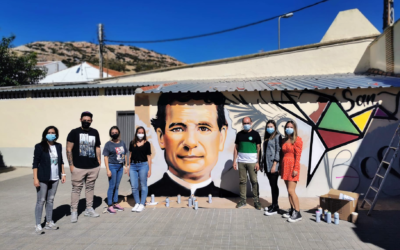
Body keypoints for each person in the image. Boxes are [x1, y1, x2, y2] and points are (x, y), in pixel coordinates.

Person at [148, 92, 236, 197]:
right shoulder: (145, 195)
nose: (191, 143)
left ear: (221, 137)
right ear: (161, 137)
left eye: (204, 128)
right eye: (178, 129)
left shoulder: (229, 198)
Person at [67, 111, 101, 223]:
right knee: (76, 189)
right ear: (80, 119)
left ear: (91, 121)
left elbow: (97, 147)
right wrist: (71, 165)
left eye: (89, 120)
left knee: (90, 188)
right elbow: (69, 149)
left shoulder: (95, 132)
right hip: (78, 167)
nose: (86, 122)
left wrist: (99, 162)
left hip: (92, 167)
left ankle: (89, 209)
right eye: (84, 120)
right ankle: (74, 211)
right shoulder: (74, 132)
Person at [32, 126, 66, 234]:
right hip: (43, 178)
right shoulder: (39, 146)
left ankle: (49, 222)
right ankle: (38, 224)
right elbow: (35, 163)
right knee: (41, 201)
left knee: (50, 200)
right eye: (49, 132)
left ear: (56, 135)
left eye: (53, 133)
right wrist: (36, 178)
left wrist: (63, 174)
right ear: (45, 134)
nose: (51, 134)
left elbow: (61, 161)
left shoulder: (58, 146)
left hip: (55, 177)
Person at [233, 117, 262, 210]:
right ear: (242, 124)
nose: (246, 124)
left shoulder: (256, 134)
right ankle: (243, 200)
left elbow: (259, 149)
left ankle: (256, 201)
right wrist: (234, 161)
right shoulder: (239, 134)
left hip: (252, 162)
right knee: (242, 181)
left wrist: (258, 162)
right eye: (244, 123)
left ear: (251, 123)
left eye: (248, 123)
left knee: (254, 181)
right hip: (241, 162)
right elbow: (236, 148)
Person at [281, 120, 303, 222]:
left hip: (292, 166)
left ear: (294, 129)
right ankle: (292, 210)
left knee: (291, 191)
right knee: (288, 191)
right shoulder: (284, 139)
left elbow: (298, 156)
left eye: (290, 127)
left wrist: (296, 169)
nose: (288, 128)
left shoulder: (297, 140)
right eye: (287, 126)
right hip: (285, 166)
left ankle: (298, 212)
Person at [103, 126, 128, 214]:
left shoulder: (122, 143)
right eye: (112, 133)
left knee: (117, 186)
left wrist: (126, 166)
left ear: (119, 133)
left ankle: (115, 203)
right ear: (110, 134)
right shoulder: (108, 144)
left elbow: (125, 154)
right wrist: (108, 170)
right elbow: (105, 157)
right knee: (112, 186)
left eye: (116, 132)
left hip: (120, 167)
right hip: (112, 166)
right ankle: (110, 205)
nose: (114, 134)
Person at [126, 126, 151, 212]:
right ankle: (137, 203)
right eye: (139, 132)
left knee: (143, 185)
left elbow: (149, 157)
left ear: (144, 133)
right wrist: (128, 167)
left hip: (143, 165)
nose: (140, 134)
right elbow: (130, 155)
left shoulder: (147, 143)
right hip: (133, 166)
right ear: (136, 133)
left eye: (142, 132)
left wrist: (150, 169)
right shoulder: (132, 143)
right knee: (134, 186)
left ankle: (142, 203)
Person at [260, 120, 282, 216]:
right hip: (267, 165)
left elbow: (278, 151)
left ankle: (275, 206)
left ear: (275, 127)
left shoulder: (277, 136)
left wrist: (274, 165)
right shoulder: (267, 137)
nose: (269, 128)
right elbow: (264, 152)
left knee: (274, 186)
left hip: (273, 166)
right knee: (272, 185)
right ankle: (273, 205)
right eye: (268, 126)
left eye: (271, 126)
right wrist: (262, 163)